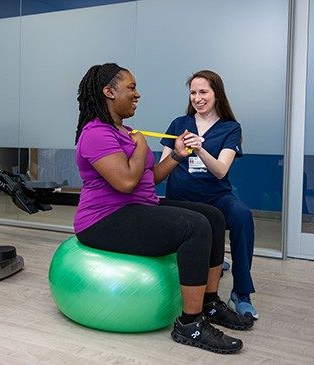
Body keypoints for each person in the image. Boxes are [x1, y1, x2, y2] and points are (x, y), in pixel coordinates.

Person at [74, 63, 253, 355]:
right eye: (131, 88)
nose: (137, 94)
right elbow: (126, 182)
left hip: (137, 206)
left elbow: (150, 177)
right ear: (109, 92)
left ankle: (208, 303)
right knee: (194, 227)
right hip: (103, 219)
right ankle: (190, 324)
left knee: (213, 216)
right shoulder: (97, 133)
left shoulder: (125, 131)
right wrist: (143, 147)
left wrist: (178, 156)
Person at [160, 69, 258, 319]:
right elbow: (160, 170)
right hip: (181, 198)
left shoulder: (230, 128)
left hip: (217, 196)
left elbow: (220, 171)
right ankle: (214, 261)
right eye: (193, 92)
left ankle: (241, 292)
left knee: (242, 216)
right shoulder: (178, 124)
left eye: (203, 91)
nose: (197, 97)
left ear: (217, 94)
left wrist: (200, 150)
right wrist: (178, 152)